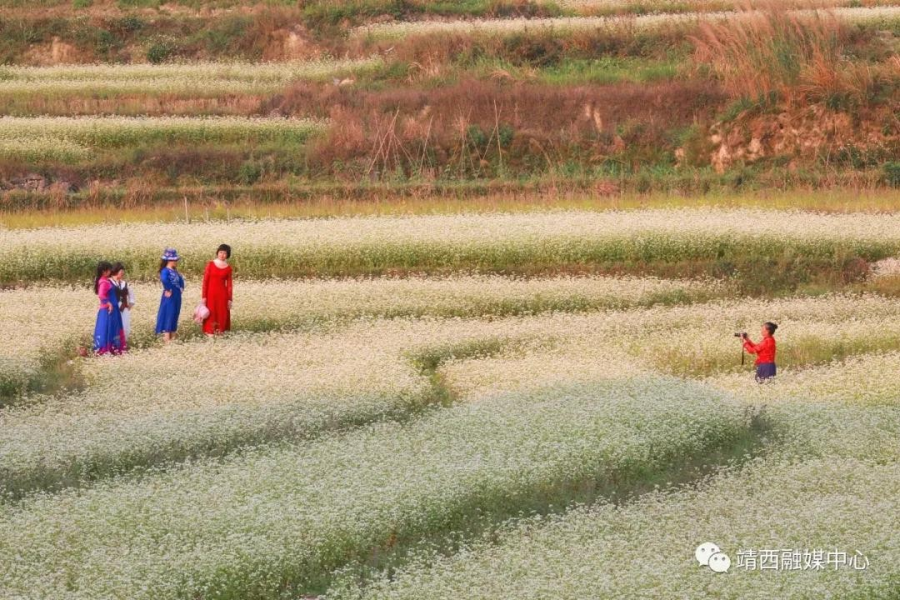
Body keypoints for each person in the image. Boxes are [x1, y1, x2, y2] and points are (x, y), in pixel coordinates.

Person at [92, 260, 126, 355]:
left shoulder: (104, 280)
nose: (110, 272)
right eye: (109, 270)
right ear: (104, 271)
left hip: (109, 309)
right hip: (108, 310)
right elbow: (101, 295)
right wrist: (109, 304)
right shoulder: (104, 282)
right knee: (109, 329)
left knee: (109, 329)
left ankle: (111, 349)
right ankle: (109, 349)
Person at [201, 243, 233, 335]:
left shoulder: (228, 268)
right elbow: (205, 281)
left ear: (227, 255)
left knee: (221, 314)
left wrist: (230, 299)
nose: (222, 255)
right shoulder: (210, 264)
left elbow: (230, 285)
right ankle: (210, 333)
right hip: (210, 295)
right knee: (210, 314)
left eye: (225, 253)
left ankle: (220, 333)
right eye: (221, 252)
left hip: (222, 296)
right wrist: (204, 297)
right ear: (217, 253)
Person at [155, 248, 185, 343]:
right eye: (174, 260)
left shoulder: (174, 271)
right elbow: (164, 280)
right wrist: (168, 289)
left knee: (175, 314)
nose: (176, 262)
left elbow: (181, 280)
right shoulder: (165, 271)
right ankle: (167, 339)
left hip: (177, 296)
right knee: (169, 314)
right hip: (170, 296)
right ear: (169, 260)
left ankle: (173, 337)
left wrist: (181, 287)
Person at [110, 262, 135, 340]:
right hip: (114, 308)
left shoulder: (124, 284)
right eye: (121, 272)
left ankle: (123, 345)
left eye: (123, 272)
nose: (122, 274)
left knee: (125, 326)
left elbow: (132, 295)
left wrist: (129, 305)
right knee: (114, 327)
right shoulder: (109, 282)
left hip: (124, 308)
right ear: (116, 271)